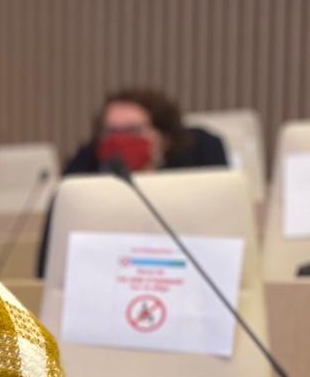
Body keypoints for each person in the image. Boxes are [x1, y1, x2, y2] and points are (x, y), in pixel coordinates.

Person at [37, 88, 230, 274]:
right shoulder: (84, 193)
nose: (120, 140)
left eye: (133, 130)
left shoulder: (194, 189)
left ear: (164, 138)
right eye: (111, 132)